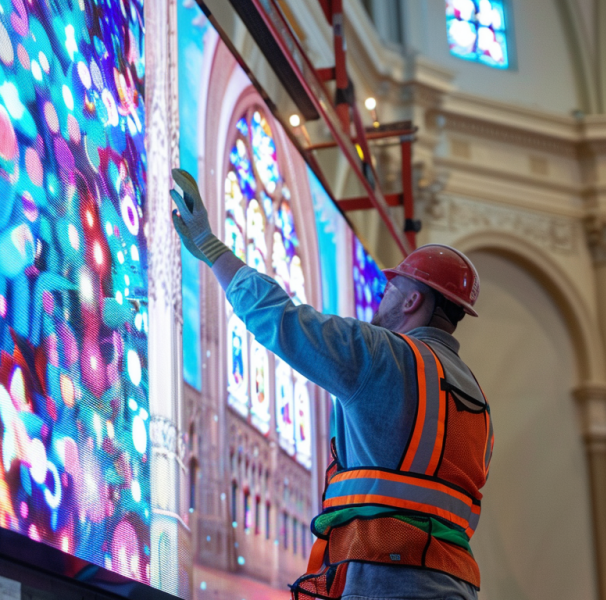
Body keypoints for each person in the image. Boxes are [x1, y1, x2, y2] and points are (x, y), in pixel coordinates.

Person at [170, 168, 494, 600]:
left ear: (413, 300)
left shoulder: (384, 356)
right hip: (456, 586)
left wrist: (211, 248)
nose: (382, 298)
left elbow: (282, 319)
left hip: (385, 582)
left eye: (390, 290)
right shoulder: (479, 402)